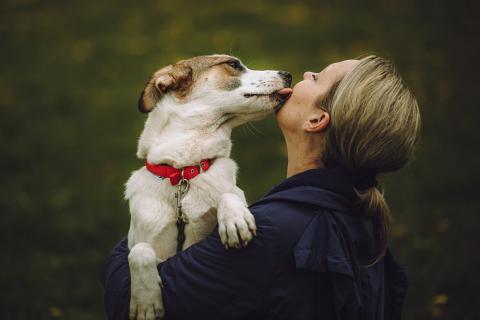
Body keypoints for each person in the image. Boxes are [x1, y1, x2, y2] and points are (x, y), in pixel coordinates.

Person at [99, 55, 420, 320]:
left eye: (318, 77)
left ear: (317, 120)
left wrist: (130, 243)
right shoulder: (359, 217)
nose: (305, 72)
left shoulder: (273, 231)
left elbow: (125, 303)